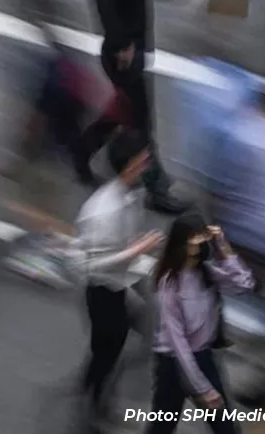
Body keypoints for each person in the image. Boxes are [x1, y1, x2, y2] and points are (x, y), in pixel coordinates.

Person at [80, 0, 212, 213]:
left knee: (123, 116)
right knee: (140, 125)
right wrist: (123, 46)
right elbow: (107, 16)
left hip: (135, 52)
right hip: (122, 59)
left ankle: (82, 152)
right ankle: (157, 190)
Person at [74, 131, 166, 425]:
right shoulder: (103, 211)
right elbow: (93, 265)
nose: (147, 167)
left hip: (121, 284)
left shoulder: (131, 195)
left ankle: (93, 394)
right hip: (103, 290)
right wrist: (135, 250)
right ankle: (92, 409)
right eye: (143, 162)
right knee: (107, 352)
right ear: (127, 166)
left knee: (123, 343)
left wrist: (136, 250)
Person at [147, 214, 255, 434]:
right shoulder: (170, 284)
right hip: (174, 364)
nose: (199, 241)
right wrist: (203, 387)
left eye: (201, 235)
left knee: (226, 429)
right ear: (182, 241)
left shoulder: (206, 271)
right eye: (193, 236)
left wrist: (223, 244)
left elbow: (245, 283)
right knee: (162, 426)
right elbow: (178, 343)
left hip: (202, 356)